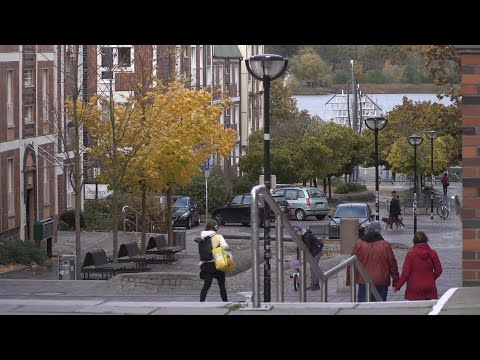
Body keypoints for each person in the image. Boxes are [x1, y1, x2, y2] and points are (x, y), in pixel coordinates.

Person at [346, 220, 399, 302]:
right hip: (381, 280)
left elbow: (352, 263)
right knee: (379, 307)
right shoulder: (385, 245)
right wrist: (396, 281)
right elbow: (392, 264)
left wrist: (349, 279)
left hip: (364, 280)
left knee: (364, 307)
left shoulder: (359, 244)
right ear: (379, 230)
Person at [394, 231, 442, 300]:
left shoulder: (410, 254)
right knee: (429, 308)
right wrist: (431, 278)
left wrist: (398, 286)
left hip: (414, 287)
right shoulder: (432, 253)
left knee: (414, 309)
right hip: (429, 286)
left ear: (414, 241)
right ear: (426, 239)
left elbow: (405, 273)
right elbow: (439, 270)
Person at [197, 219, 229, 302]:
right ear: (216, 227)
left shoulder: (202, 236)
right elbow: (226, 247)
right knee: (222, 286)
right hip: (217, 264)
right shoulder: (218, 236)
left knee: (206, 286)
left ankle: (201, 303)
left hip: (206, 265)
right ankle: (225, 303)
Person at [293, 225, 324, 290]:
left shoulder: (307, 236)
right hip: (313, 252)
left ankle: (315, 284)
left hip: (316, 252)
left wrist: (304, 259)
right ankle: (315, 284)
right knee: (313, 268)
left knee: (313, 267)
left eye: (296, 232)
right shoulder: (302, 236)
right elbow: (299, 248)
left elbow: (307, 248)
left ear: (300, 231)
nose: (296, 234)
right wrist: (298, 259)